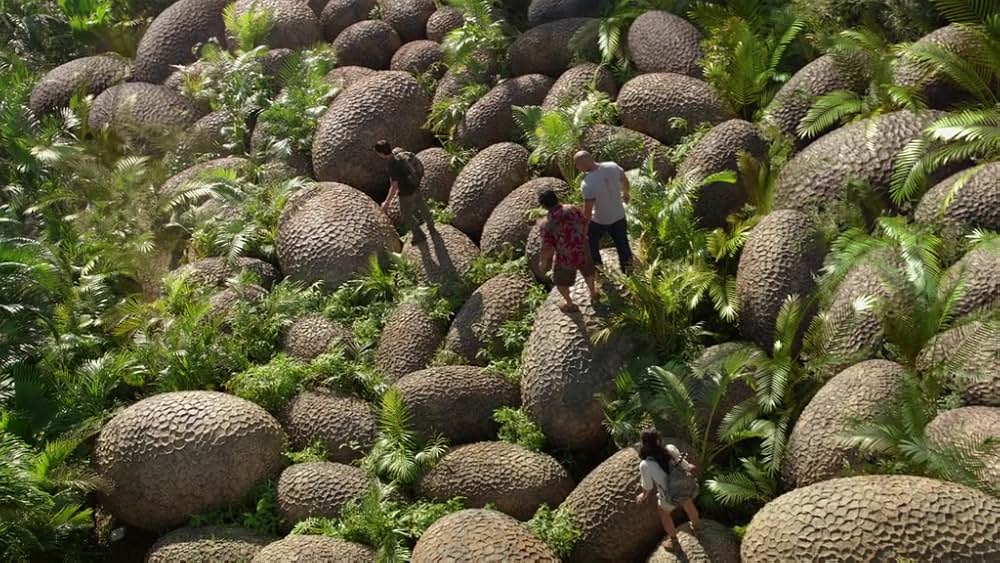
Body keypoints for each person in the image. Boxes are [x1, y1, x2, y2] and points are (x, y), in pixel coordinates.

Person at [635, 429, 701, 548]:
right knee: (689, 506)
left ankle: (674, 541)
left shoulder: (645, 465)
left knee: (664, 514)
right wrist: (690, 466)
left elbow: (648, 487)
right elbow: (685, 466)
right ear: (659, 440)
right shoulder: (670, 448)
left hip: (668, 496)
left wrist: (642, 496)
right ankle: (697, 530)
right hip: (682, 487)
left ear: (644, 444)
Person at [536, 189, 598, 313]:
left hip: (565, 255)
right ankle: (593, 293)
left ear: (543, 206)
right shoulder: (572, 209)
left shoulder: (546, 224)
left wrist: (543, 263)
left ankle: (569, 303)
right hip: (582, 247)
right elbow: (584, 222)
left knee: (560, 281)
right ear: (556, 198)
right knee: (588, 271)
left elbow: (547, 247)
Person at [575, 150, 633, 270]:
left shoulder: (587, 183)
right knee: (623, 244)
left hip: (601, 220)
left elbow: (588, 209)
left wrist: (584, 228)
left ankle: (598, 266)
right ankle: (628, 271)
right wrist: (626, 193)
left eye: (577, 165)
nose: (577, 168)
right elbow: (625, 180)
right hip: (619, 215)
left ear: (582, 165)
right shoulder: (612, 166)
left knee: (592, 242)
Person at [376, 140, 432, 244]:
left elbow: (394, 186)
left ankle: (419, 235)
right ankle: (431, 225)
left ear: (380, 153)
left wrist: (386, 203)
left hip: (406, 192)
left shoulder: (391, 165)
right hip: (415, 185)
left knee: (406, 215)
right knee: (422, 206)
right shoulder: (399, 155)